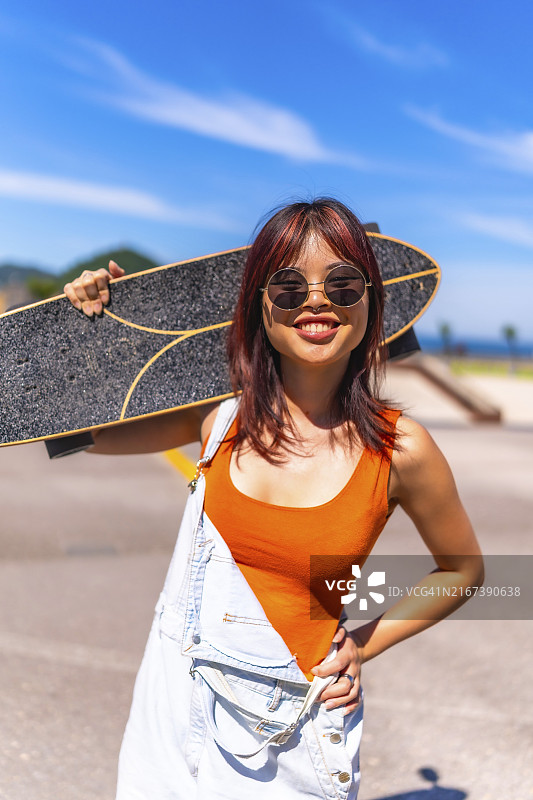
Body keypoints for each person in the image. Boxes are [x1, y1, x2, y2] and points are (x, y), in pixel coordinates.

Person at [64, 198, 483, 800]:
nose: (317, 300)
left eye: (342, 283)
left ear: (371, 301)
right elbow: (82, 436)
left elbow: (467, 571)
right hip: (172, 718)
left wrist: (364, 644)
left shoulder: (400, 448)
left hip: (289, 738)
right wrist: (100, 334)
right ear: (262, 307)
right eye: (289, 287)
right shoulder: (218, 420)